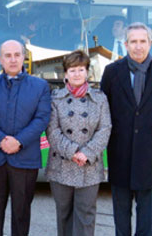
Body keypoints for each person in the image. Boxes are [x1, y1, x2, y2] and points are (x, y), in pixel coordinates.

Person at [100, 22, 152, 236]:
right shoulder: (112, 72)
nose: (138, 46)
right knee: (121, 211)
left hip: (150, 152)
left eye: (143, 41)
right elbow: (105, 108)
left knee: (147, 212)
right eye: (133, 41)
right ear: (126, 44)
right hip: (120, 150)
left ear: (150, 43)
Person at [0, 40, 51, 236]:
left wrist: (18, 141)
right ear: (0, 59)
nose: (12, 59)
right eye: (8, 55)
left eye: (17, 55)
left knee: (21, 213)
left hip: (25, 159)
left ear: (24, 57)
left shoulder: (40, 86)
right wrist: (1, 140)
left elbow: (42, 118)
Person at [46, 50, 111, 236]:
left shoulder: (100, 99)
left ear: (87, 72)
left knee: (86, 216)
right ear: (65, 74)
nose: (76, 74)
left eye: (81, 69)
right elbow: (52, 130)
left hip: (89, 166)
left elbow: (105, 129)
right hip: (61, 164)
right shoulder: (55, 98)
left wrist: (87, 153)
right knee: (64, 214)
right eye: (72, 70)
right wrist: (73, 152)